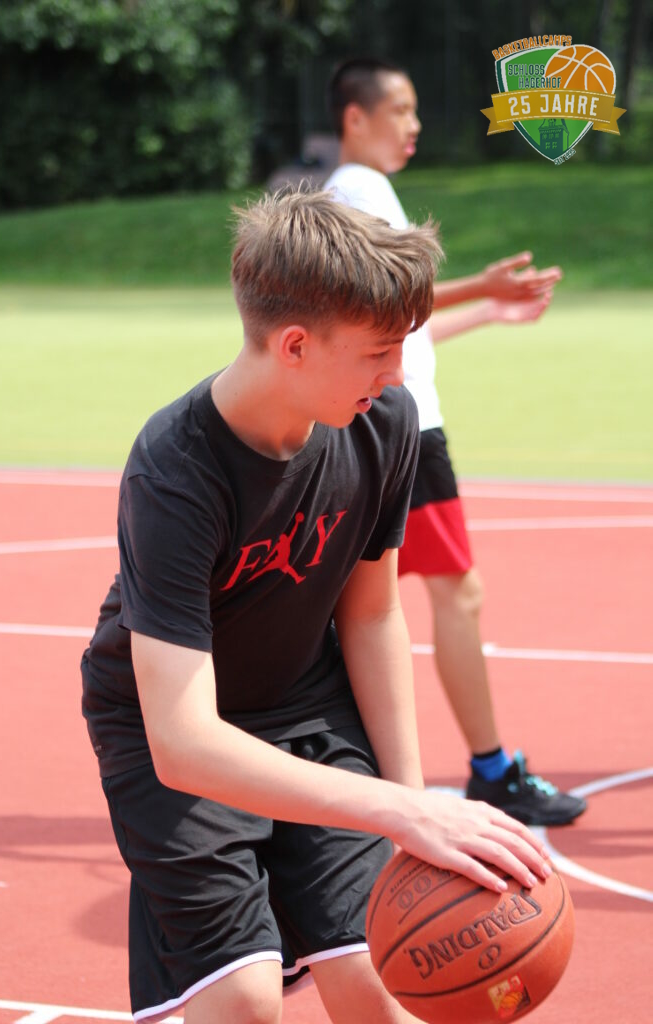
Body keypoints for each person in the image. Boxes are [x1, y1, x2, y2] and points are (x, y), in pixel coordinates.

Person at [81, 189, 552, 1024]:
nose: (396, 373)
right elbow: (184, 743)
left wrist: (411, 813)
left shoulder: (383, 422)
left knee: (384, 980)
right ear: (294, 345)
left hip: (308, 705)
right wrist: (400, 809)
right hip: (176, 734)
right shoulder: (175, 469)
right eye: (378, 351)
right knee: (247, 1001)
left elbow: (370, 615)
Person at [325, 57, 586, 827]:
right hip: (401, 426)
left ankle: (336, 766)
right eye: (400, 110)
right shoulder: (358, 189)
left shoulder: (361, 190)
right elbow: (391, 300)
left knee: (360, 601)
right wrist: (484, 286)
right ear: (355, 117)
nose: (413, 125)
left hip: (386, 418)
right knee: (445, 596)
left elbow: (397, 328)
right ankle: (490, 770)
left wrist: (484, 313)